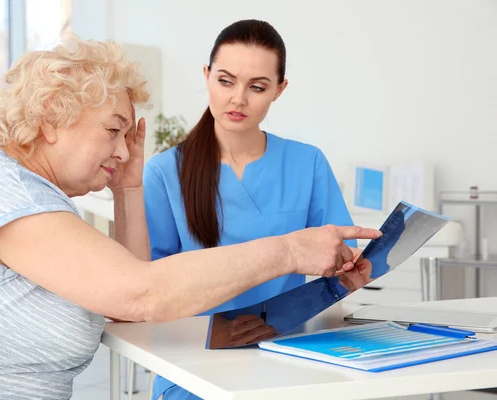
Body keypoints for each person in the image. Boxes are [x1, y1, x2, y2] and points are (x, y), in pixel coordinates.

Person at [0, 37, 380, 399]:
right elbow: (139, 292)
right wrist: (290, 250)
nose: (125, 149)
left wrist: (128, 186)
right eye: (113, 131)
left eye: (129, 136)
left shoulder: (32, 194)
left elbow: (124, 306)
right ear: (49, 119)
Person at [143, 19, 369, 400]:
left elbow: (333, 273)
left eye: (257, 87)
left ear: (279, 90)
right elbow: (145, 292)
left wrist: (351, 274)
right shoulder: (165, 172)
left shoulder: (307, 163)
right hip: (195, 363)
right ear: (207, 75)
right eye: (226, 81)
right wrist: (213, 332)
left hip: (291, 358)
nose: (238, 99)